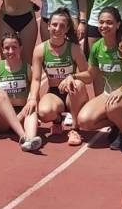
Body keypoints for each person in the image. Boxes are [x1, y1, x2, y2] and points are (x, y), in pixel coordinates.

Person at [76, 6, 122, 151]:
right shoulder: (97, 47)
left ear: (118, 24)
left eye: (109, 22)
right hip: (109, 95)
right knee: (84, 121)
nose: (104, 26)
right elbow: (90, 75)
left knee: (113, 107)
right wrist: (72, 77)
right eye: (101, 22)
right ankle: (117, 124)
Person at [33, 8, 89, 146]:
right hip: (54, 93)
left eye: (62, 26)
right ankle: (57, 120)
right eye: (54, 25)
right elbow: (36, 79)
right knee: (44, 113)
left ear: (67, 28)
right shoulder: (40, 49)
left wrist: (73, 77)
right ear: (48, 26)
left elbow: (89, 76)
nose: (57, 29)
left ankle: (75, 129)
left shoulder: (74, 49)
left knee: (76, 85)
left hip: (74, 93)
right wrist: (32, 99)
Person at [0, 33, 43, 152]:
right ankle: (24, 137)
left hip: (21, 114)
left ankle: (30, 141)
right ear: (2, 50)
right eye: (6, 48)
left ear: (21, 48)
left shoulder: (28, 69)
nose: (10, 51)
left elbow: (35, 96)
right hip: (1, 119)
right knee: (0, 94)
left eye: (14, 47)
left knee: (31, 107)